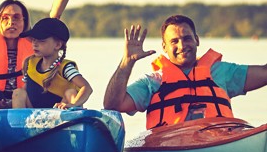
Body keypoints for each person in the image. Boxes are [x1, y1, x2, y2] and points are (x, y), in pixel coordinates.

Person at [103, 15, 267, 127]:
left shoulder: (222, 72)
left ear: (197, 40)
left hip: (220, 140)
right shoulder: (153, 82)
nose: (182, 46)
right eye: (174, 41)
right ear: (164, 47)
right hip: (170, 147)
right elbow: (112, 105)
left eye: (187, 38)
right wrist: (127, 62)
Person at [11, 17, 92, 109]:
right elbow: (27, 90)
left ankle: (73, 114)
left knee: (71, 92)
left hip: (60, 111)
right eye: (33, 40)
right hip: (34, 112)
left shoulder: (65, 68)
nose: (35, 44)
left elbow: (87, 88)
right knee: (18, 92)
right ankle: (18, 118)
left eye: (41, 41)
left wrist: (73, 104)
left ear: (57, 45)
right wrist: (8, 104)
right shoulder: (30, 63)